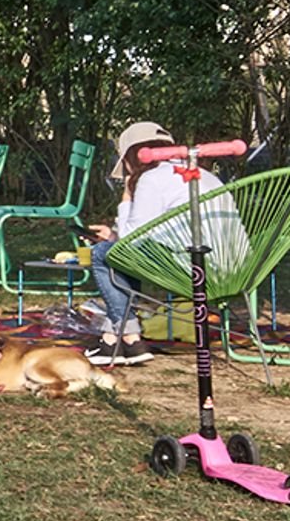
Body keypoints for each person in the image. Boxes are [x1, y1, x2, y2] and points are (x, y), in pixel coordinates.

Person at [81, 119, 201, 366]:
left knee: (104, 253)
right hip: (234, 268)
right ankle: (125, 340)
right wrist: (114, 236)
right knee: (115, 250)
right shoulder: (196, 172)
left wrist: (126, 196)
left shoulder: (152, 179)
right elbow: (148, 232)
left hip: (191, 271)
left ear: (133, 158)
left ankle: (122, 338)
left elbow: (130, 244)